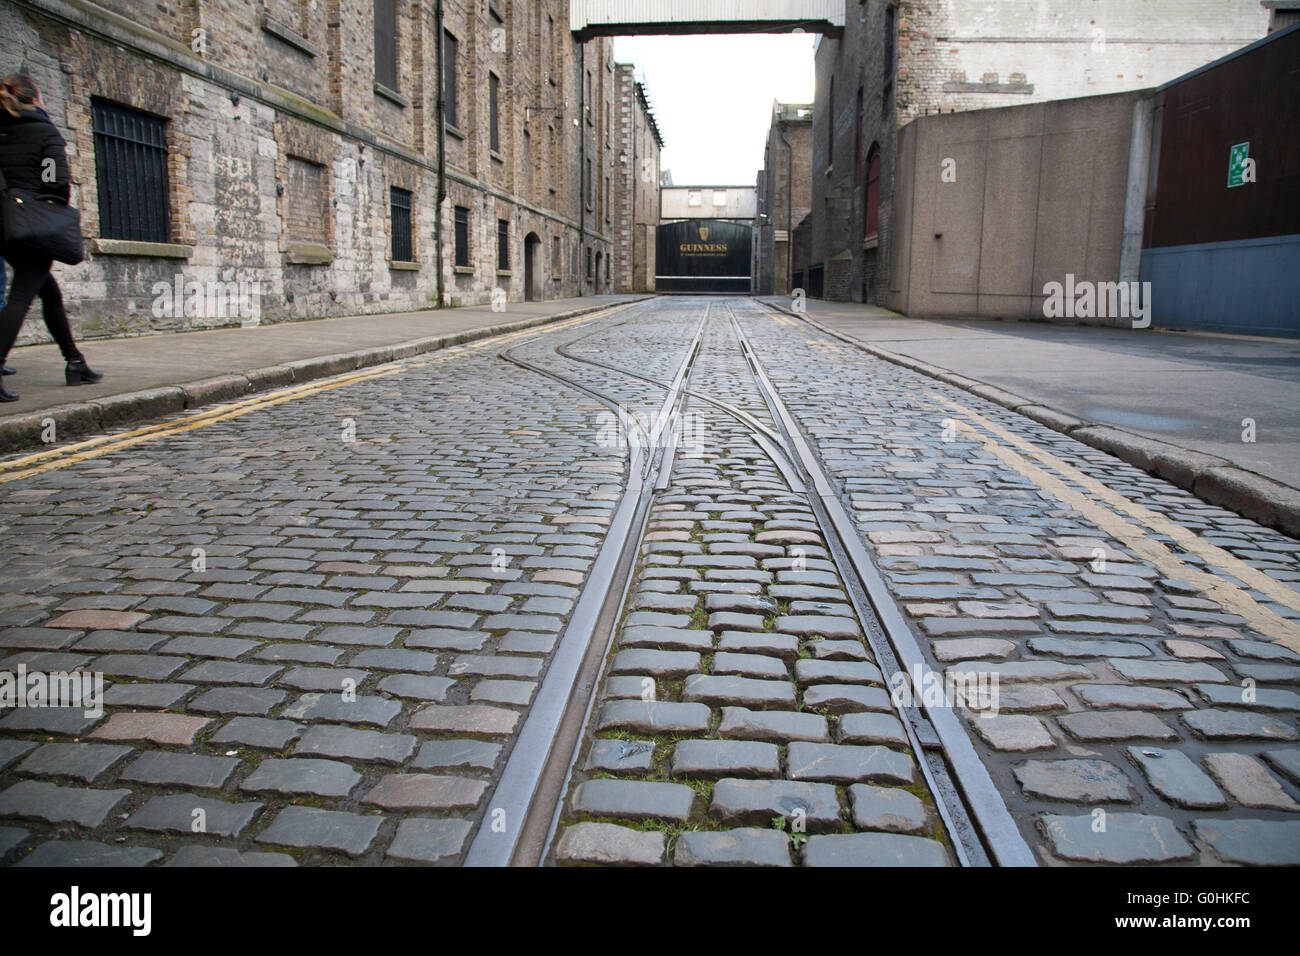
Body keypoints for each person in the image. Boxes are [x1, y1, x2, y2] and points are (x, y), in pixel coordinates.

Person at [0, 74, 100, 402]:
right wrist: (48, 203)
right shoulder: (43, 131)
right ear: (35, 99)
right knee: (21, 296)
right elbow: (54, 180)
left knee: (49, 293)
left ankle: (75, 362)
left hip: (5, 224)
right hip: (32, 223)